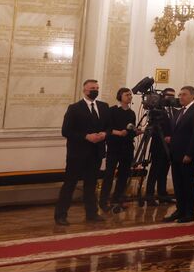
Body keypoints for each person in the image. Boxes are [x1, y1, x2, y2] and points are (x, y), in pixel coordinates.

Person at [55, 79, 109, 225]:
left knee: (91, 185)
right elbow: (66, 131)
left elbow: (108, 127)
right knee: (70, 185)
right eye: (92, 88)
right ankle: (61, 215)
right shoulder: (74, 108)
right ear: (85, 90)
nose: (95, 90)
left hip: (96, 153)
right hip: (77, 154)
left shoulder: (104, 107)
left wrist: (104, 134)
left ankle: (91, 213)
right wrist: (86, 136)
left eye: (97, 88)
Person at [167, 86, 194, 223]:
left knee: (188, 184)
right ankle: (180, 210)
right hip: (175, 154)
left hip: (187, 155)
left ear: (192, 96)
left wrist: (189, 153)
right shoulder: (178, 112)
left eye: (184, 94)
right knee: (178, 184)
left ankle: (189, 212)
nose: (180, 97)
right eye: (180, 94)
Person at [100, 87, 136, 214]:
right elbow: (106, 129)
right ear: (120, 96)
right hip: (114, 147)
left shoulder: (132, 113)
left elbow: (131, 131)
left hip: (127, 148)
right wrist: (118, 132)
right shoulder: (112, 111)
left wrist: (135, 132)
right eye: (127, 95)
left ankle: (117, 199)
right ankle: (103, 201)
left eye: (130, 95)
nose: (130, 97)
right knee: (109, 174)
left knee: (123, 175)